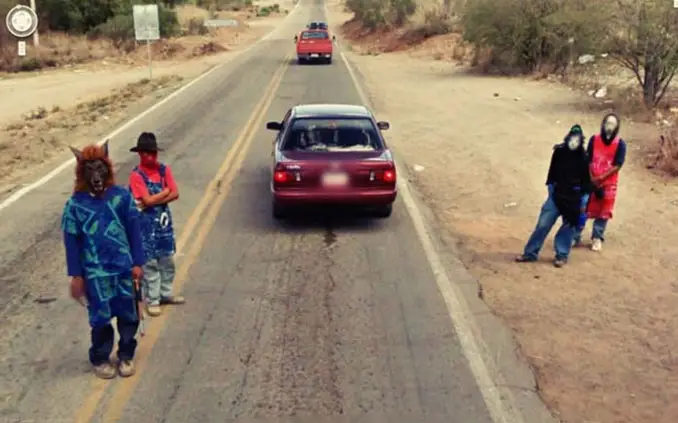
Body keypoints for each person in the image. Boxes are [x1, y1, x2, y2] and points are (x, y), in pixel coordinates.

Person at [61, 141, 145, 379]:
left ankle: (126, 355)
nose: (96, 176)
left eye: (100, 169)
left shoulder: (121, 197)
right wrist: (76, 275)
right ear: (82, 173)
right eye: (90, 170)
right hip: (95, 273)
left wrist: (137, 262)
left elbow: (134, 231)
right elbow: (71, 241)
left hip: (123, 268)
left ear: (107, 170)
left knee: (129, 314)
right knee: (100, 317)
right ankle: (100, 357)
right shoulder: (75, 205)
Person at [515, 125, 592, 267]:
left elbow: (586, 184)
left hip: (573, 199)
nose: (574, 141)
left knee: (568, 227)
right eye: (572, 137)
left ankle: (561, 255)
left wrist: (582, 203)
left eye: (577, 139)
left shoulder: (583, 158)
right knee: (543, 225)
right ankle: (530, 253)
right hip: (556, 195)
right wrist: (552, 191)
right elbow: (551, 175)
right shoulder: (559, 152)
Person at [128, 132, 185, 317]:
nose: (148, 156)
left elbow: (175, 193)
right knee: (150, 262)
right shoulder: (136, 176)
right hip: (144, 225)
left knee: (167, 259)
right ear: (139, 154)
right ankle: (152, 299)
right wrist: (164, 193)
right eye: (145, 153)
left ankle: (165, 294)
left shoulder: (164, 170)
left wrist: (155, 199)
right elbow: (147, 199)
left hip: (162, 223)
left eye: (151, 153)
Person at [573, 113, 626, 251]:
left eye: (613, 124)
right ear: (603, 124)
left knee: (604, 211)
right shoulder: (594, 140)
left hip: (608, 182)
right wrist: (591, 177)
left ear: (617, 127)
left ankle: (597, 237)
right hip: (590, 179)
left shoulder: (620, 144)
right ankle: (575, 235)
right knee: (583, 208)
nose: (609, 127)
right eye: (608, 123)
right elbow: (588, 159)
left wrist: (601, 178)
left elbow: (618, 164)